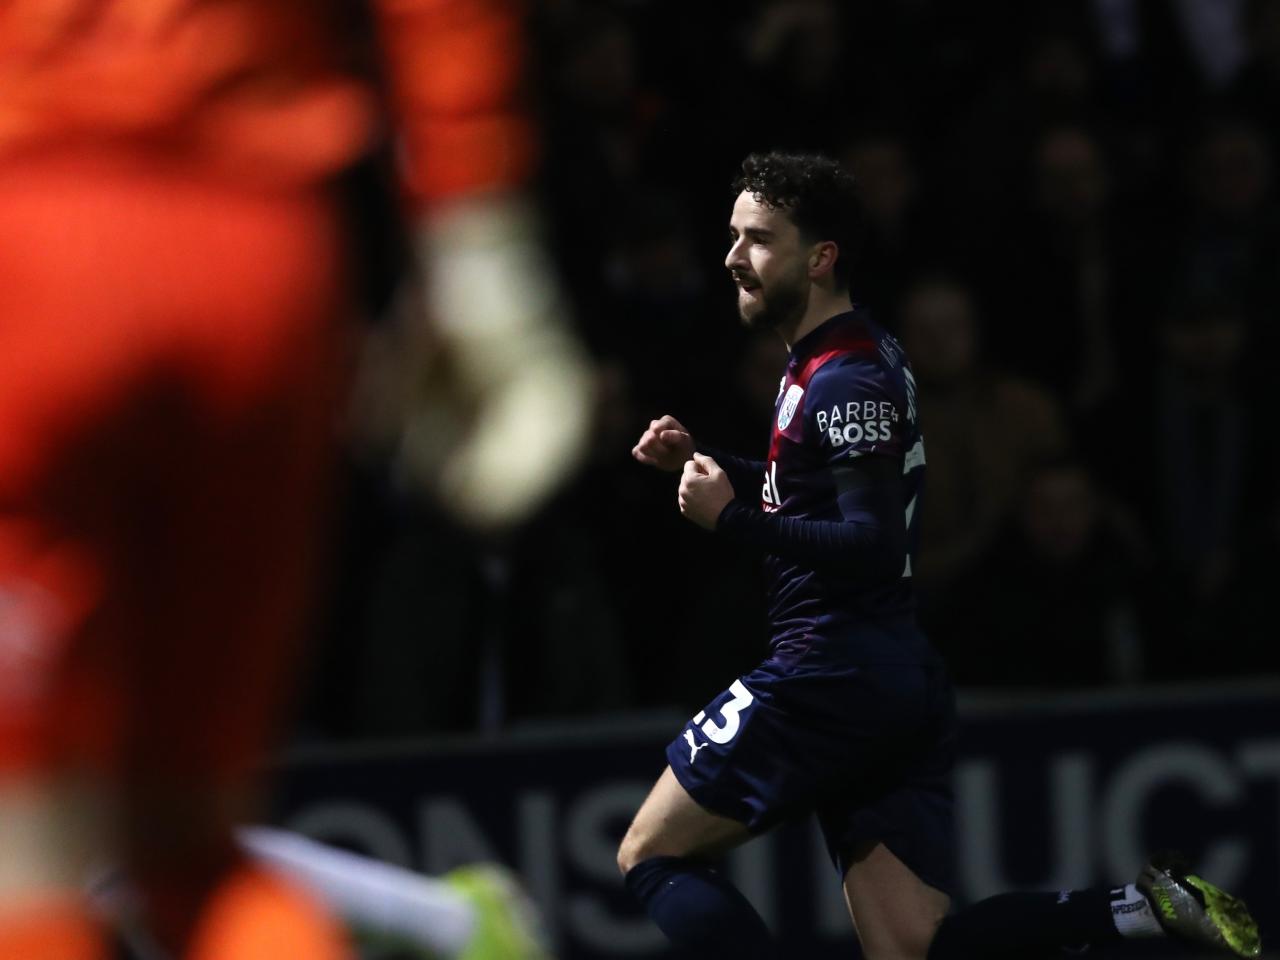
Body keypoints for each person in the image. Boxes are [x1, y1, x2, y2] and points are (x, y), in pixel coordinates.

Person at [0, 2, 587, 958]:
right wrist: (479, 238)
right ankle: (436, 928)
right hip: (260, 250)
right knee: (183, 844)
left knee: (22, 853)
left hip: (31, 236)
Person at [618, 151, 1261, 960]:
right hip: (889, 675)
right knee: (912, 949)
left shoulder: (844, 379)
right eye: (732, 236)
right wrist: (710, 463)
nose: (732, 257)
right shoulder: (843, 356)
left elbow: (871, 543)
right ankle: (1139, 908)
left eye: (758, 239)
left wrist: (731, 520)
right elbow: (810, 489)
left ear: (820, 258)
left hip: (829, 671)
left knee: (652, 853)